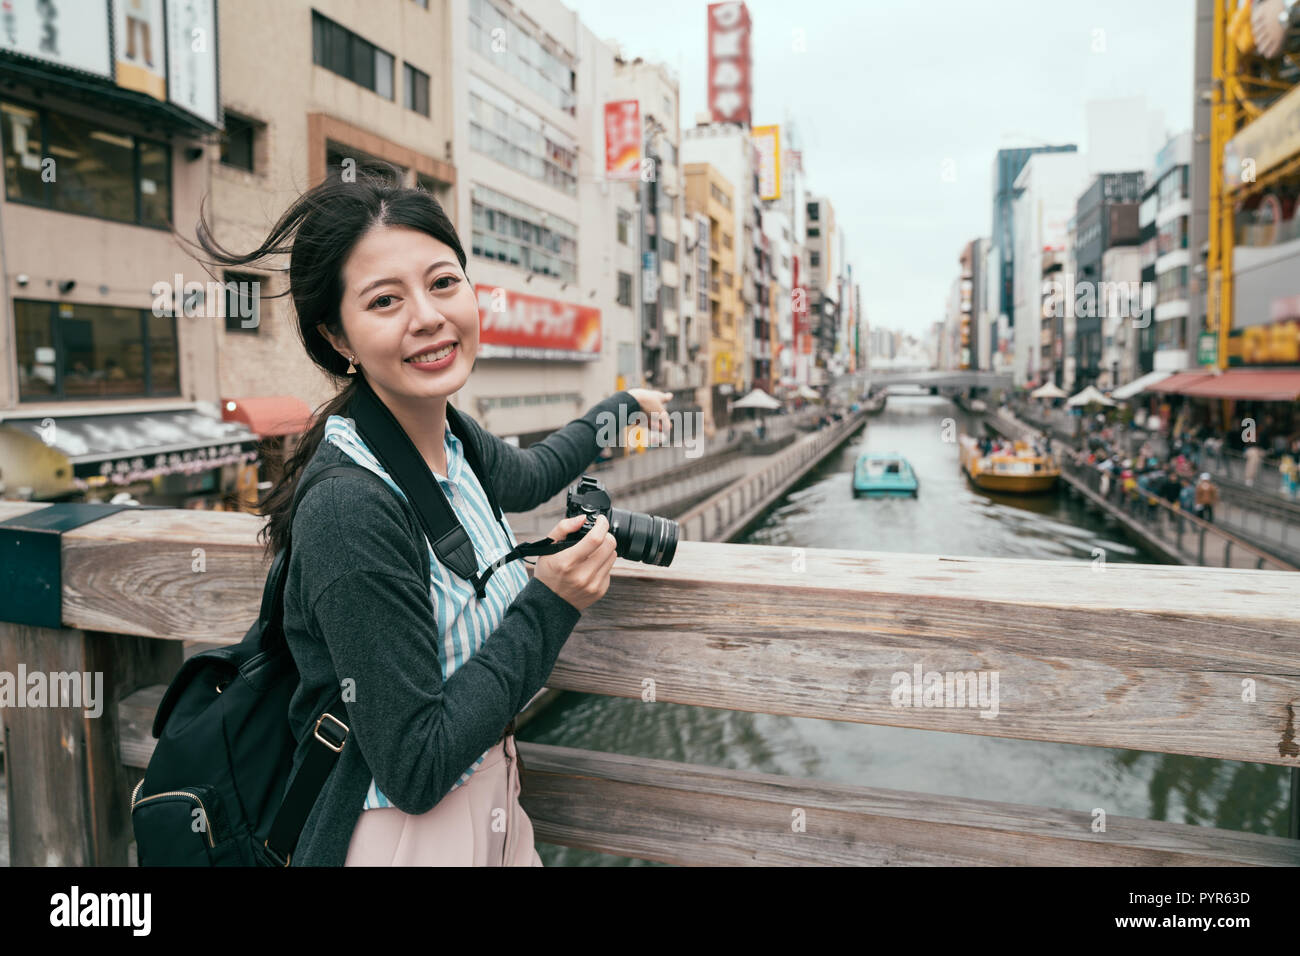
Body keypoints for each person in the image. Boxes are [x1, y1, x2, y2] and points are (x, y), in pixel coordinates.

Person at [197, 163, 673, 867]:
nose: (428, 315)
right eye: (385, 301)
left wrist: (621, 409)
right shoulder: (350, 506)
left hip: (495, 803)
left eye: (443, 282)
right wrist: (553, 601)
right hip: (402, 837)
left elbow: (536, 471)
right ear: (339, 338)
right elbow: (414, 765)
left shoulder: (449, 437)